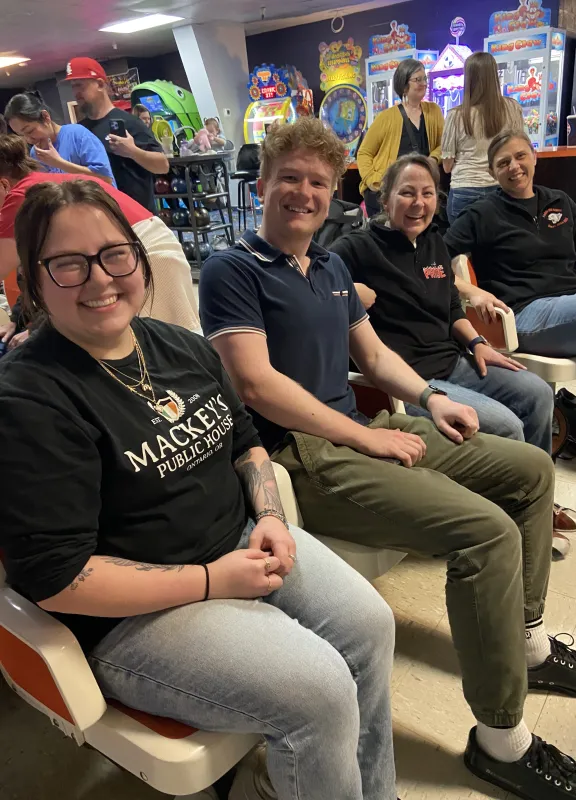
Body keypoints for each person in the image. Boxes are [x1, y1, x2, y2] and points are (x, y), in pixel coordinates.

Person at [200, 117, 576, 800]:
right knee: (486, 532)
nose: (303, 192)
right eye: (289, 178)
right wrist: (368, 436)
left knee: (531, 470)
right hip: (303, 460)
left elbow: (376, 356)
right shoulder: (232, 269)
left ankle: (529, 645)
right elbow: (257, 384)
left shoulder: (327, 266)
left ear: (335, 192)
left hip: (361, 430)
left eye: (318, 182)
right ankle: (502, 742)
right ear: (262, 183)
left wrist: (432, 398)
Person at [0, 179, 397, 800]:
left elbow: (245, 443)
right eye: (68, 264)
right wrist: (214, 581)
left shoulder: (178, 345)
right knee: (318, 691)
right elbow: (55, 577)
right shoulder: (30, 397)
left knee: (371, 624)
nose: (100, 279)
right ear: (34, 279)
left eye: (113, 254)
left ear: (139, 255)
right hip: (133, 617)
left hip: (239, 541)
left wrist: (268, 514)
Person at [330, 153, 576, 558]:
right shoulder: (355, 248)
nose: (419, 203)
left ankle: (536, 506)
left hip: (453, 360)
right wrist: (349, 294)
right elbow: (312, 278)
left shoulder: (433, 243)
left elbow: (451, 310)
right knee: (504, 425)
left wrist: (479, 344)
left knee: (537, 394)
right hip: (408, 380)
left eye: (427, 193)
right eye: (407, 193)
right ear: (385, 197)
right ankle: (509, 526)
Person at [0, 134, 200, 332]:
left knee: (165, 345)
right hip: (139, 248)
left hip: (142, 252)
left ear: (3, 184)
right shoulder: (37, 184)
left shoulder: (20, 196)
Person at [445, 130, 576, 357]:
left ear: (534, 157)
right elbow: (432, 261)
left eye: (520, 156)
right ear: (492, 172)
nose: (514, 166)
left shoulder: (561, 201)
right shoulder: (482, 213)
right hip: (524, 314)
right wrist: (471, 292)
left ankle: (563, 396)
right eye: (503, 162)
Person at [63, 57, 169, 211]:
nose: (75, 93)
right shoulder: (79, 130)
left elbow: (162, 166)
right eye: (72, 87)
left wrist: (132, 151)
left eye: (80, 85)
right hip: (102, 217)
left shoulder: (130, 123)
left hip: (137, 217)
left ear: (100, 84)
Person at [441, 52, 523, 223]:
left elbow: (447, 166)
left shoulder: (456, 115)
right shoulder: (512, 108)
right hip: (503, 187)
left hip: (464, 189)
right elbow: (520, 149)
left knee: (463, 248)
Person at [357, 58, 444, 218]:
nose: (423, 83)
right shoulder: (386, 117)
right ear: (404, 85)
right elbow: (364, 153)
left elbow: (443, 144)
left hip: (418, 192)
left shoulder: (434, 111)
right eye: (418, 79)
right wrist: (373, 180)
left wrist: (433, 158)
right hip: (386, 195)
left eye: (425, 78)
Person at [4, 91, 115, 184]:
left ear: (45, 117)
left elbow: (106, 179)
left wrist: (58, 163)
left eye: (30, 131)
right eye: (22, 135)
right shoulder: (36, 152)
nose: (28, 139)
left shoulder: (77, 134)